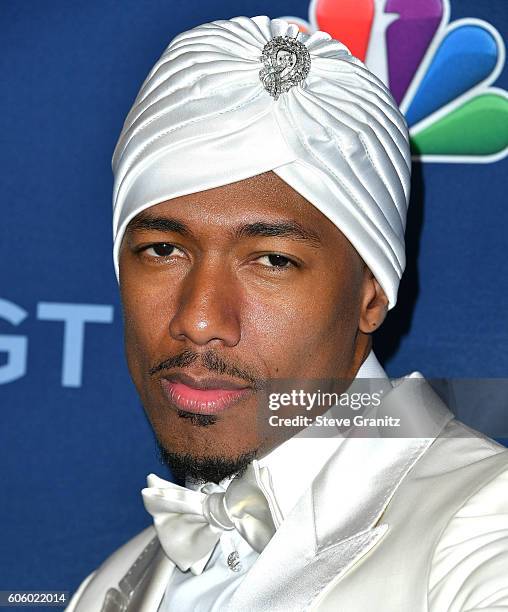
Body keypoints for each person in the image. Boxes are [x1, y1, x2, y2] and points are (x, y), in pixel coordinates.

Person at [66, 15, 508, 612]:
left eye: (271, 260)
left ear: (370, 294)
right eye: (163, 250)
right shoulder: (110, 587)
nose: (199, 318)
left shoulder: (486, 529)